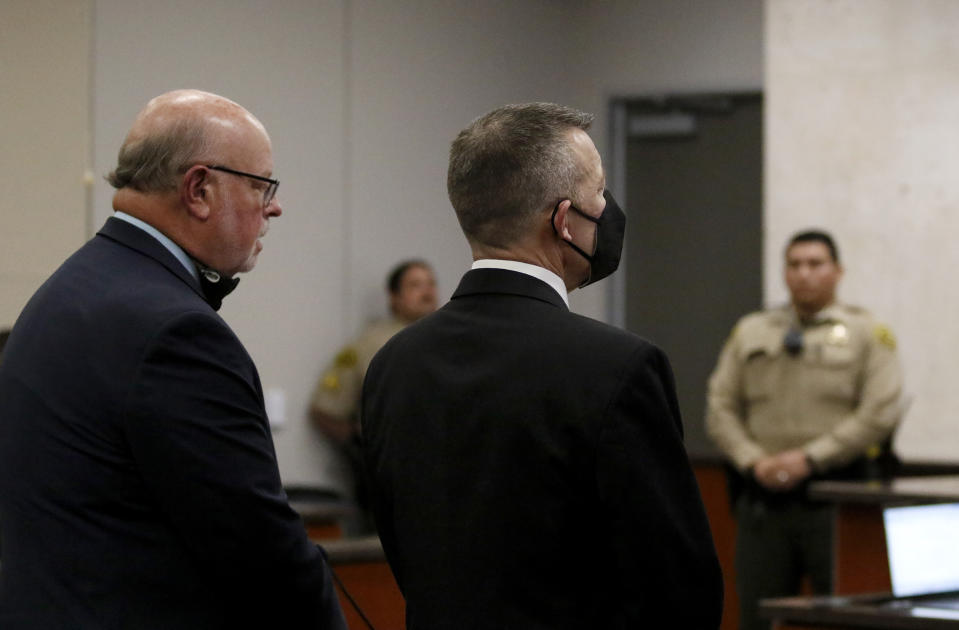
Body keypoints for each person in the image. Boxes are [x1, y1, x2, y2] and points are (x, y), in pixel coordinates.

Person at [361, 102, 724, 629]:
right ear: (564, 221)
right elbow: (679, 590)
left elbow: (405, 550)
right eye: (599, 193)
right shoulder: (619, 367)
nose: (609, 208)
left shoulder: (393, 364)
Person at [0, 90, 346, 629]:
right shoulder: (176, 333)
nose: (274, 206)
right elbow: (264, 558)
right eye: (261, 185)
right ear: (199, 189)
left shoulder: (67, 289)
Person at [705, 229, 903, 630]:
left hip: (837, 499)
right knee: (758, 615)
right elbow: (719, 408)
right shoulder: (752, 332)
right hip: (764, 501)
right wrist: (754, 461)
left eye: (815, 264)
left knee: (848, 616)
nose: (804, 274)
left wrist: (809, 459)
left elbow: (879, 412)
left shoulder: (867, 333)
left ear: (837, 271)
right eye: (794, 265)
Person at [310, 259, 437, 530]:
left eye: (430, 284)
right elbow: (325, 409)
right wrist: (360, 452)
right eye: (415, 285)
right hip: (392, 474)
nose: (427, 292)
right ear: (394, 296)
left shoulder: (450, 339)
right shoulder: (370, 345)